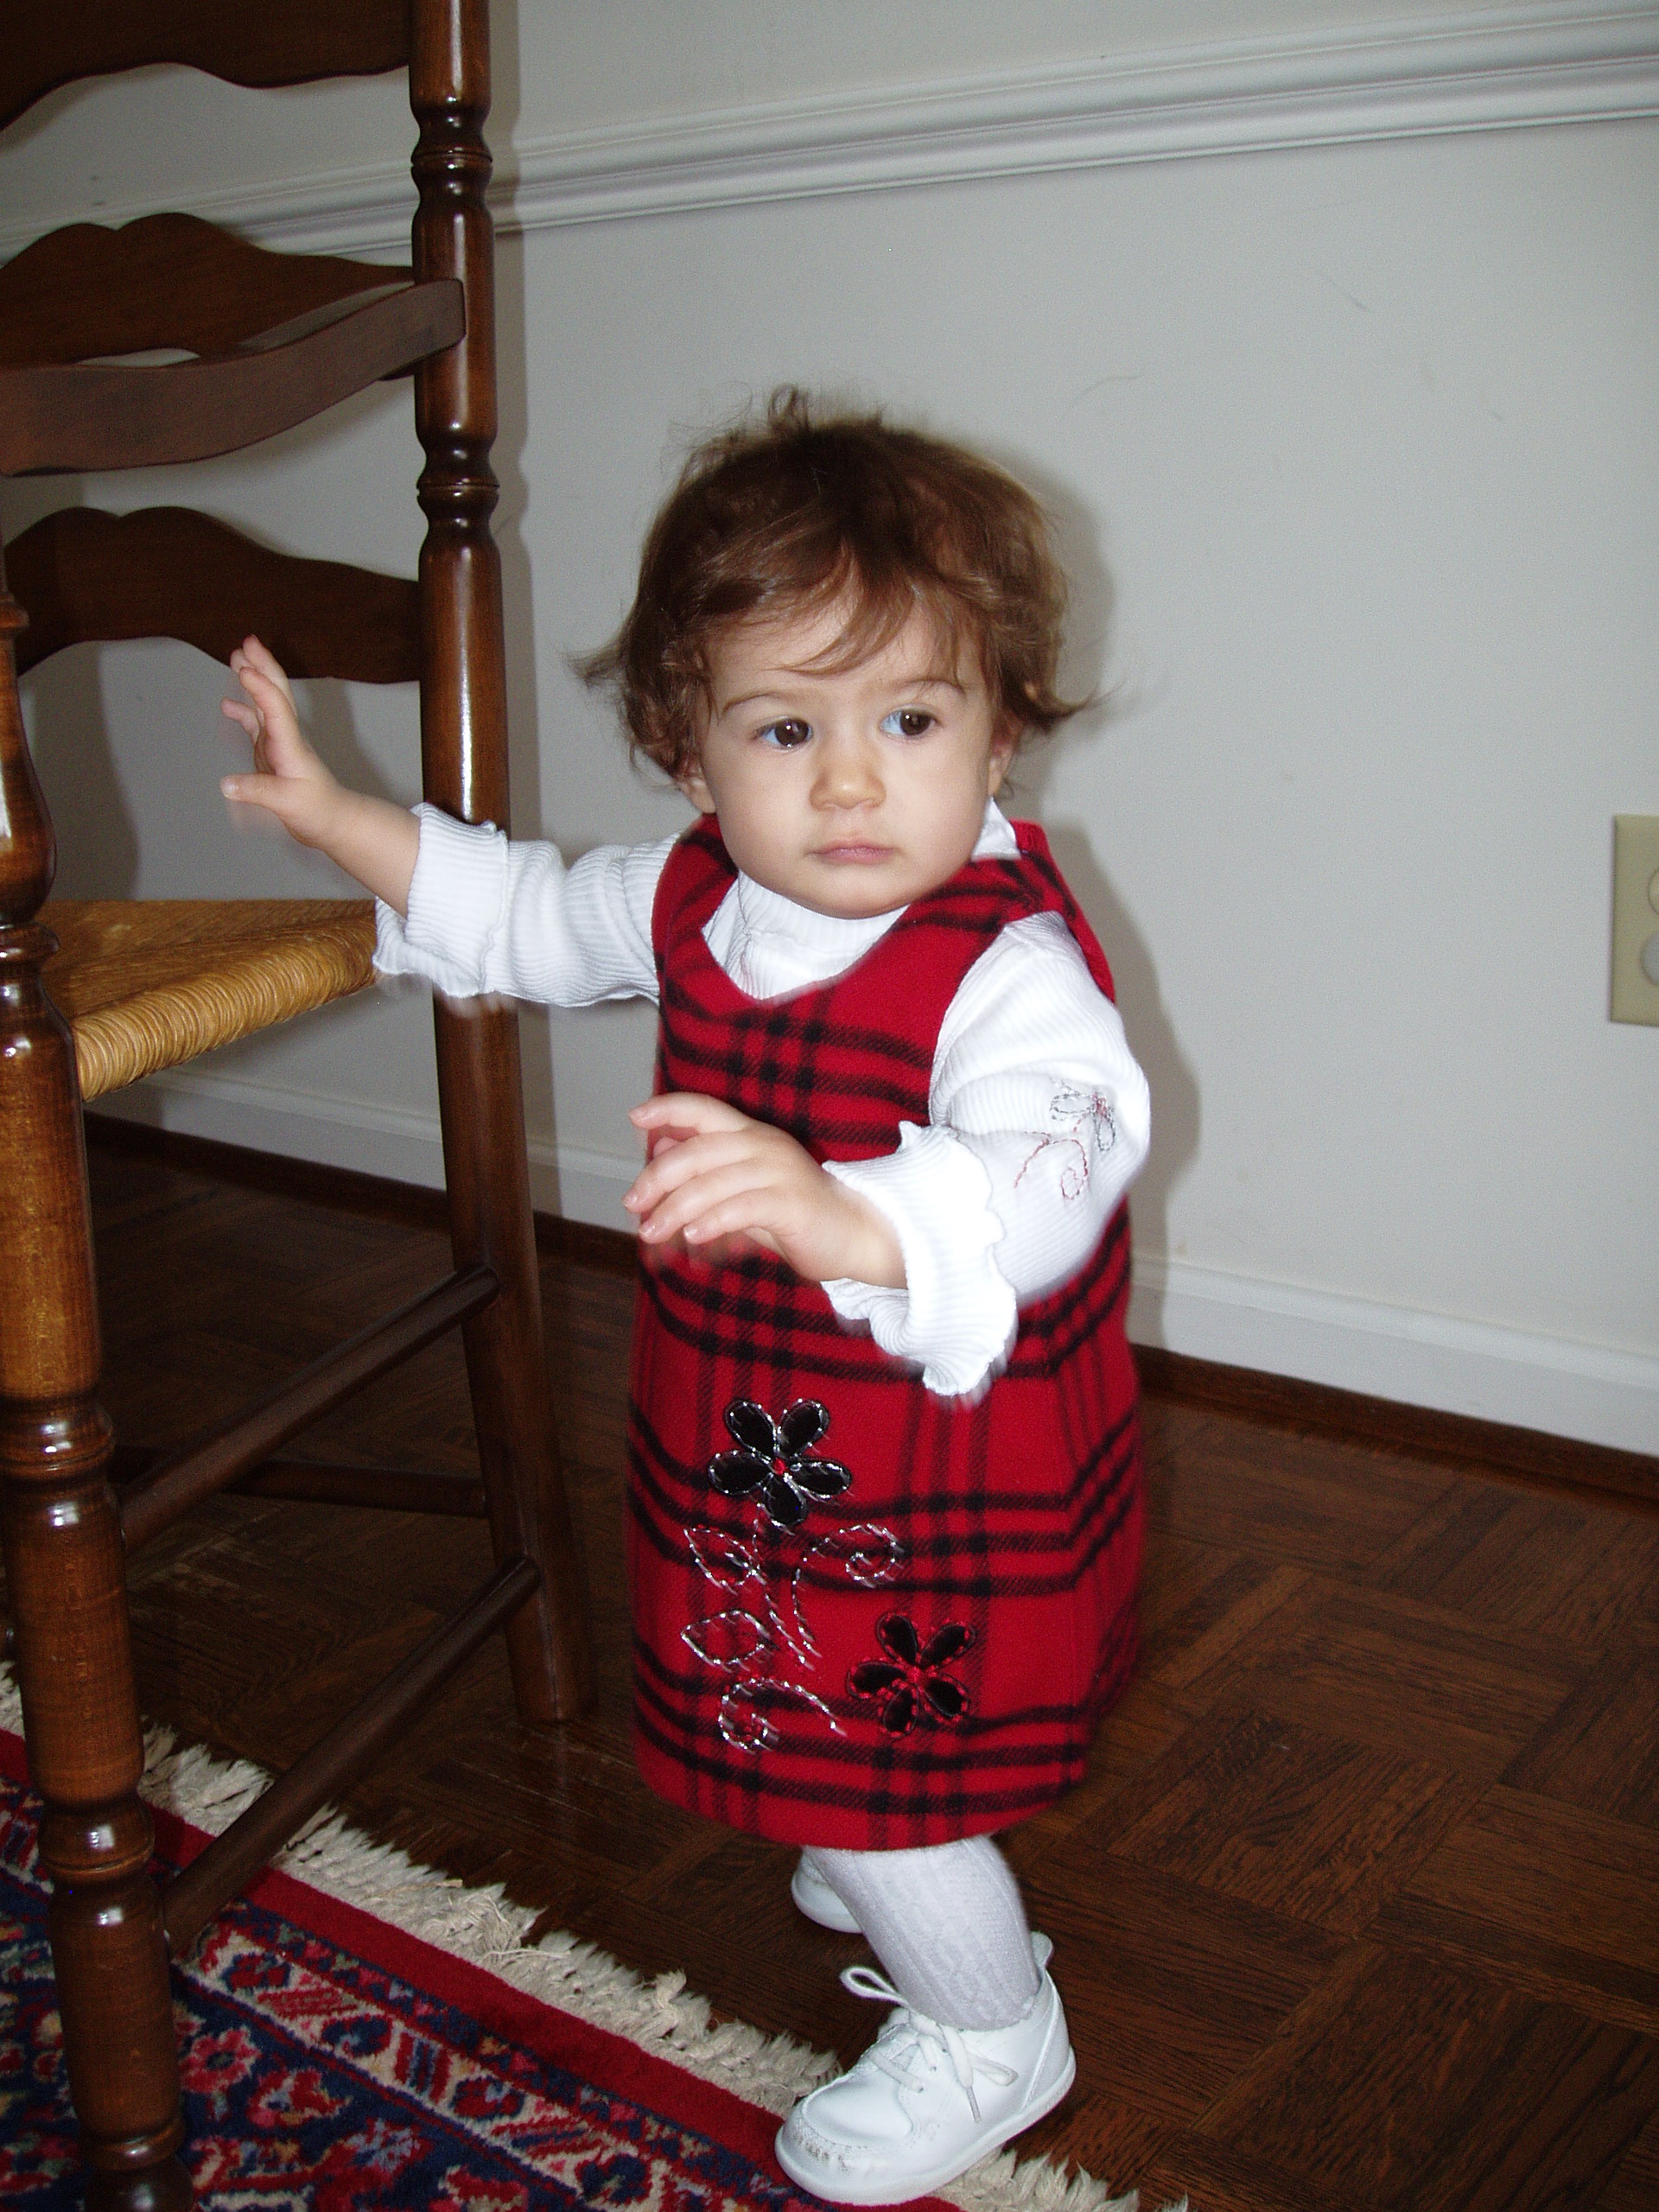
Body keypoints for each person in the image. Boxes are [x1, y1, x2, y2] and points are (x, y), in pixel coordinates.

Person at [219, 391, 1150, 2207]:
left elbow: (1063, 1157)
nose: (853, 783)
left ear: (1002, 728)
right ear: (689, 749)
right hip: (762, 1445)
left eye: (910, 720)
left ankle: (990, 2022)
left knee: (871, 1771)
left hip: (934, 1466)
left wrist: (847, 1211)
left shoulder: (1005, 962)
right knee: (808, 1694)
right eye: (787, 727)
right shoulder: (695, 893)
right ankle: (867, 1822)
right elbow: (518, 912)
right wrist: (342, 819)